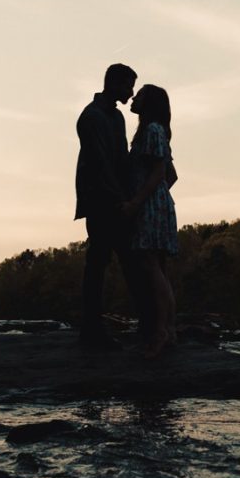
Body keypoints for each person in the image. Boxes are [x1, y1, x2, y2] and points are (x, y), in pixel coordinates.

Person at [74, 63, 147, 349]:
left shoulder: (116, 117)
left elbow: (121, 160)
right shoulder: (91, 117)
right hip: (101, 201)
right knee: (99, 262)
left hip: (118, 199)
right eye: (128, 86)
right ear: (114, 84)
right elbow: (99, 164)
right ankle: (91, 329)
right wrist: (120, 200)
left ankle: (144, 323)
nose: (131, 92)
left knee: (127, 261)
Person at [123, 83, 179, 359]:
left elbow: (160, 172)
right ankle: (167, 330)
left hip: (149, 206)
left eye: (140, 94)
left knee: (151, 267)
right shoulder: (152, 132)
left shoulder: (153, 130)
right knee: (158, 268)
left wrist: (139, 201)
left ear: (150, 102)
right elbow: (172, 175)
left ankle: (162, 333)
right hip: (155, 203)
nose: (134, 97)